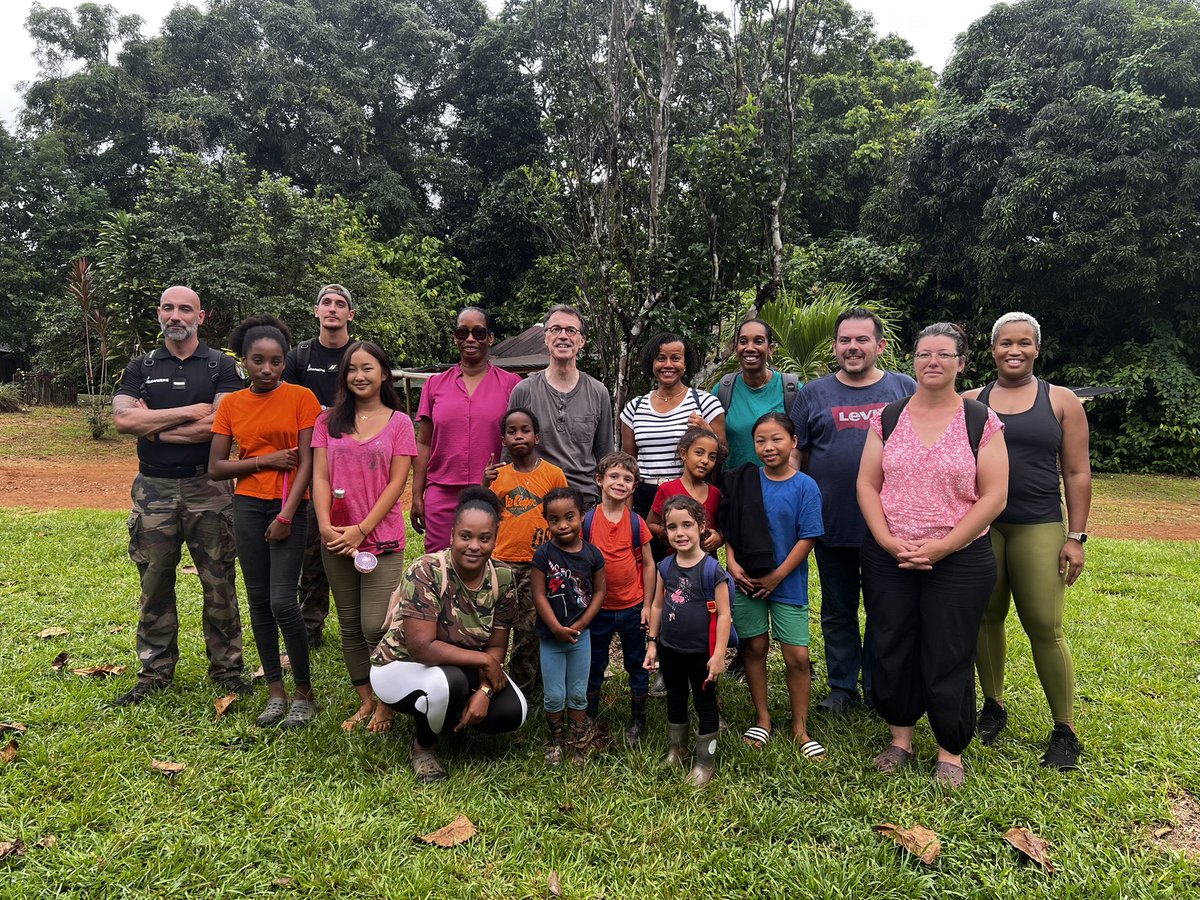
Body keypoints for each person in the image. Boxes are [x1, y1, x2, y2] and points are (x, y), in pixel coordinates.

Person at [857, 322, 1008, 788]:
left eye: (944, 354)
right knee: (892, 643)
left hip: (959, 557)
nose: (933, 362)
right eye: (924, 354)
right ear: (913, 361)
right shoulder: (888, 416)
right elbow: (867, 483)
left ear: (962, 362)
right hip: (891, 553)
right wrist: (885, 540)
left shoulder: (980, 420)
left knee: (949, 649)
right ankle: (900, 738)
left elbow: (994, 495)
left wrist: (944, 545)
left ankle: (950, 748)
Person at [111, 286, 250, 706]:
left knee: (219, 580)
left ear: (200, 317)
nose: (176, 315)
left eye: (185, 309)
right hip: (152, 489)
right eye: (168, 308)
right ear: (159, 314)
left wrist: (152, 423)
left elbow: (223, 424)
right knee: (154, 582)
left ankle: (227, 670)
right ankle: (154, 672)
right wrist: (192, 411)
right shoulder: (141, 366)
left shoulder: (221, 366)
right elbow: (121, 420)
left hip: (208, 487)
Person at [964, 312, 1091, 770]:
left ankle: (1064, 728)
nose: (1013, 351)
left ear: (1037, 348)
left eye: (1023, 343)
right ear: (993, 349)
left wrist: (1075, 536)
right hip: (982, 525)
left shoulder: (1060, 401)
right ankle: (993, 706)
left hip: (1037, 522)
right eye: (1004, 343)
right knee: (986, 616)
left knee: (1044, 624)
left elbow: (1076, 472)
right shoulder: (969, 401)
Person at [789, 308, 917, 714]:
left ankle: (881, 688)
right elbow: (798, 456)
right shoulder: (814, 393)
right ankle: (843, 687)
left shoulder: (905, 388)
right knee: (838, 610)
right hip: (832, 524)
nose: (852, 347)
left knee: (886, 612)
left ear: (880, 346)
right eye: (845, 340)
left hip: (892, 528)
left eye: (862, 340)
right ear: (834, 347)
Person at [371, 488, 528, 784]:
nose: (474, 546)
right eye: (465, 536)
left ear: (495, 539)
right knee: (448, 684)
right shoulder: (427, 571)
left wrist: (484, 692)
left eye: (485, 538)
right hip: (399, 666)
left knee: (513, 711)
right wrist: (484, 661)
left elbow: (497, 645)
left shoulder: (503, 578)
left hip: (458, 667)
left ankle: (451, 719)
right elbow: (421, 648)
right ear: (452, 535)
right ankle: (423, 747)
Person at [210, 315, 322, 729]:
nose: (268, 369)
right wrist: (264, 461)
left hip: (290, 506)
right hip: (246, 506)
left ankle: (304, 693)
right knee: (257, 601)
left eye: (276, 361)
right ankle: (276, 691)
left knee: (281, 601)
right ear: (244, 361)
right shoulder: (232, 405)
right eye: (259, 361)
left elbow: (308, 463)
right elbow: (218, 467)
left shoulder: (301, 398)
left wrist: (288, 514)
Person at [311, 340, 416, 734]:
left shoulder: (400, 423)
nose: (359, 375)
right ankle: (368, 700)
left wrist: (362, 529)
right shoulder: (327, 423)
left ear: (383, 373)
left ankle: (389, 700)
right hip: (335, 539)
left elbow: (396, 484)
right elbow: (320, 477)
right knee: (350, 625)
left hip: (380, 539)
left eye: (368, 368)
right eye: (352, 368)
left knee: (378, 624)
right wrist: (325, 526)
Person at [721, 414, 826, 758]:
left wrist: (778, 575)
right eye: (761, 441)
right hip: (747, 580)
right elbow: (731, 527)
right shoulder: (744, 481)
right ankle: (763, 719)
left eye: (777, 439)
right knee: (754, 648)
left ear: (794, 441)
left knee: (797, 656)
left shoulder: (805, 486)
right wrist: (732, 563)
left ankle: (800, 727)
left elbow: (808, 537)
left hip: (787, 582)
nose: (768, 447)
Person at [411, 307, 520, 552]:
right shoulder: (435, 385)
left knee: (491, 562)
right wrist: (417, 494)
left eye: (479, 333)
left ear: (490, 338)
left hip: (494, 490)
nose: (470, 339)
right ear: (455, 337)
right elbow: (424, 443)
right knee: (440, 565)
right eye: (463, 333)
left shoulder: (511, 384)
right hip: (442, 490)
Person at [283, 283, 355, 647]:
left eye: (340, 304)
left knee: (359, 540)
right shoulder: (298, 357)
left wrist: (325, 415)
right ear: (316, 311)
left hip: (355, 461)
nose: (332, 309)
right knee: (312, 548)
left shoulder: (359, 355)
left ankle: (359, 624)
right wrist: (326, 416)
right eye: (326, 303)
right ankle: (310, 626)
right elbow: (287, 407)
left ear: (350, 315)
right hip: (311, 464)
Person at [643, 495, 732, 788]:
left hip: (701, 653)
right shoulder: (665, 566)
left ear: (702, 527)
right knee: (675, 699)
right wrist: (653, 642)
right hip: (670, 650)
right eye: (672, 527)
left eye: (687, 525)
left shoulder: (712, 570)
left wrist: (719, 655)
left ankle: (705, 762)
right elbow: (657, 605)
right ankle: (676, 750)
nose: (679, 533)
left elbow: (724, 616)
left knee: (705, 704)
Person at [483, 408, 568, 697]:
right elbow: (481, 515)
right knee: (495, 628)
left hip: (538, 565)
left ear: (537, 437)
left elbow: (564, 518)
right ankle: (487, 682)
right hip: (500, 564)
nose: (519, 435)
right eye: (511, 431)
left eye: (525, 430)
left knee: (529, 632)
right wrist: (484, 484)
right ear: (503, 440)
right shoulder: (497, 475)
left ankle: (522, 692)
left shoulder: (553, 475)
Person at [620, 332, 726, 558]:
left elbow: (723, 453)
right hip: (646, 496)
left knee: (694, 569)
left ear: (686, 364)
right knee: (649, 570)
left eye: (676, 358)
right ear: (652, 363)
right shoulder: (634, 407)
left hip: (690, 493)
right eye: (661, 358)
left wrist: (707, 431)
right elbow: (628, 466)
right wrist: (627, 513)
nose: (668, 365)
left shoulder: (705, 402)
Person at [508, 304, 613, 506]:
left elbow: (605, 456)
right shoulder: (524, 390)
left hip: (583, 500)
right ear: (545, 337)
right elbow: (510, 453)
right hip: (534, 498)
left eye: (571, 330)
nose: (563, 336)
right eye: (555, 329)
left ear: (582, 341)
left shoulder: (598, 392)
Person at [583, 452, 655, 743]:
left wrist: (648, 605)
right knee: (594, 663)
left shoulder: (637, 523)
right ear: (599, 480)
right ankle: (588, 716)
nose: (620, 483)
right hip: (597, 609)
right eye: (614, 476)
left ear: (634, 486)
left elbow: (649, 564)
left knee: (637, 664)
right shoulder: (586, 522)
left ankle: (638, 720)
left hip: (632, 607)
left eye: (628, 479)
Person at [532, 487, 607, 764]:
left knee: (577, 692)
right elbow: (538, 594)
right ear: (547, 521)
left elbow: (600, 592)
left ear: (583, 517)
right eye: (554, 520)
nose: (562, 525)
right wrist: (555, 627)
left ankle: (577, 740)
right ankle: (556, 741)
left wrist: (581, 623)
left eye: (569, 517)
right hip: (550, 638)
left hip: (581, 637)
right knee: (554, 695)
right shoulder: (543, 555)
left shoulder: (593, 555)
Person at [713, 319, 801, 470]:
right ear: (736, 348)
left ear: (770, 349)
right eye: (743, 341)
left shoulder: (792, 389)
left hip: (779, 487)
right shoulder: (723, 390)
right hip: (735, 487)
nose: (749, 348)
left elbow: (803, 444)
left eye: (758, 341)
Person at [647, 427, 724, 553]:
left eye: (712, 457)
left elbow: (724, 528)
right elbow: (649, 525)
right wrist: (670, 531)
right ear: (683, 454)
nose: (705, 460)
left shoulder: (716, 494)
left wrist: (719, 538)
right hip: (676, 565)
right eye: (699, 453)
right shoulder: (667, 489)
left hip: (707, 566)